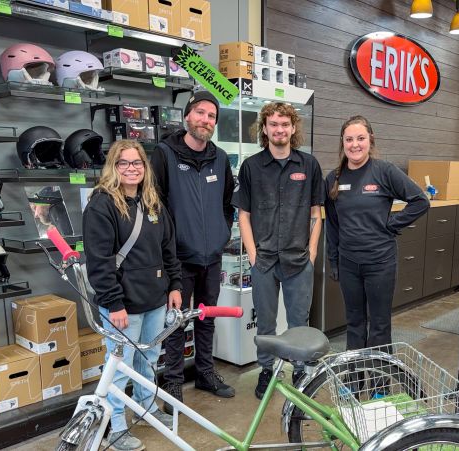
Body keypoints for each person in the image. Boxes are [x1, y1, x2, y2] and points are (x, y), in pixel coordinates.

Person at [83, 140, 182, 451]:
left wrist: (175, 285)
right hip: (123, 306)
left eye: (136, 163)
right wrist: (113, 303)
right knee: (120, 365)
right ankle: (116, 427)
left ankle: (145, 408)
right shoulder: (101, 205)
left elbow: (169, 249)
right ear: (113, 166)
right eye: (123, 163)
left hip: (155, 299)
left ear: (144, 167)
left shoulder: (152, 202)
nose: (131, 169)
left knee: (149, 359)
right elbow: (98, 261)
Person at [151, 90, 236, 410]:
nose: (205, 120)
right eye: (200, 112)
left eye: (211, 115)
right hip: (177, 259)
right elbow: (153, 205)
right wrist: (167, 248)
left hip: (211, 256)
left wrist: (221, 234)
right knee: (175, 322)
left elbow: (228, 203)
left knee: (206, 317)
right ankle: (173, 383)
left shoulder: (220, 157)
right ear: (187, 116)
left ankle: (205, 373)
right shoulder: (163, 154)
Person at [233, 102, 324, 399]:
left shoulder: (308, 165)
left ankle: (300, 371)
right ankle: (266, 371)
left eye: (285, 124)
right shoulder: (251, 166)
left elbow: (316, 212)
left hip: (299, 259)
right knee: (266, 323)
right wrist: (252, 253)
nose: (279, 129)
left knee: (299, 320)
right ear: (265, 129)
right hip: (265, 261)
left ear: (293, 128)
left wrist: (311, 252)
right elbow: (243, 214)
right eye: (273, 124)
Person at [324, 116, 430, 354]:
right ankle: (355, 381)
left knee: (380, 325)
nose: (355, 144)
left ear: (370, 139)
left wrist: (391, 225)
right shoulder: (333, 178)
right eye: (349, 139)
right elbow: (332, 224)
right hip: (348, 263)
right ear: (342, 143)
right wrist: (334, 260)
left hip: (380, 262)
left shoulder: (385, 171)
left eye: (360, 138)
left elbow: (420, 201)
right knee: (354, 323)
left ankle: (379, 389)